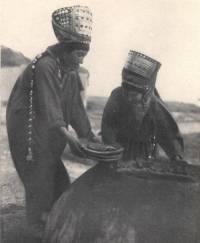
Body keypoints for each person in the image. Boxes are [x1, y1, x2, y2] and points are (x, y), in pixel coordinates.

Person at [6, 5, 96, 233]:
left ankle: (47, 225)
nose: (81, 61)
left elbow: (75, 108)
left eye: (84, 56)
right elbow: (49, 108)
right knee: (39, 183)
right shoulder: (46, 66)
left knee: (59, 185)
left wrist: (88, 135)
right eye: (78, 55)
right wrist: (70, 137)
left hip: (47, 135)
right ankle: (36, 230)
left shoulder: (70, 71)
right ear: (65, 50)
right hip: (28, 133)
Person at [101, 50, 188, 169]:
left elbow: (167, 131)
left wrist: (175, 156)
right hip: (119, 149)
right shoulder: (116, 95)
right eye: (126, 93)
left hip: (145, 153)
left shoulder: (153, 103)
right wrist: (111, 146)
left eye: (134, 95)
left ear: (145, 93)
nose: (129, 98)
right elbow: (108, 123)